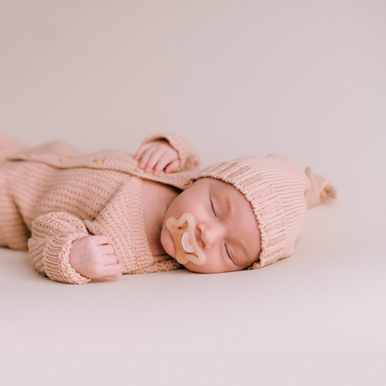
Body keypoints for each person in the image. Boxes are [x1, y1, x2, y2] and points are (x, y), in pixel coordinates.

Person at [0, 131, 337, 284]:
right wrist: (168, 147)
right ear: (200, 179)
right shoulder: (181, 175)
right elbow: (192, 158)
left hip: (9, 201)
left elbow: (47, 226)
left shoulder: (125, 247)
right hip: (45, 152)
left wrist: (71, 254)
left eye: (230, 252)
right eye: (215, 207)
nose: (208, 233)